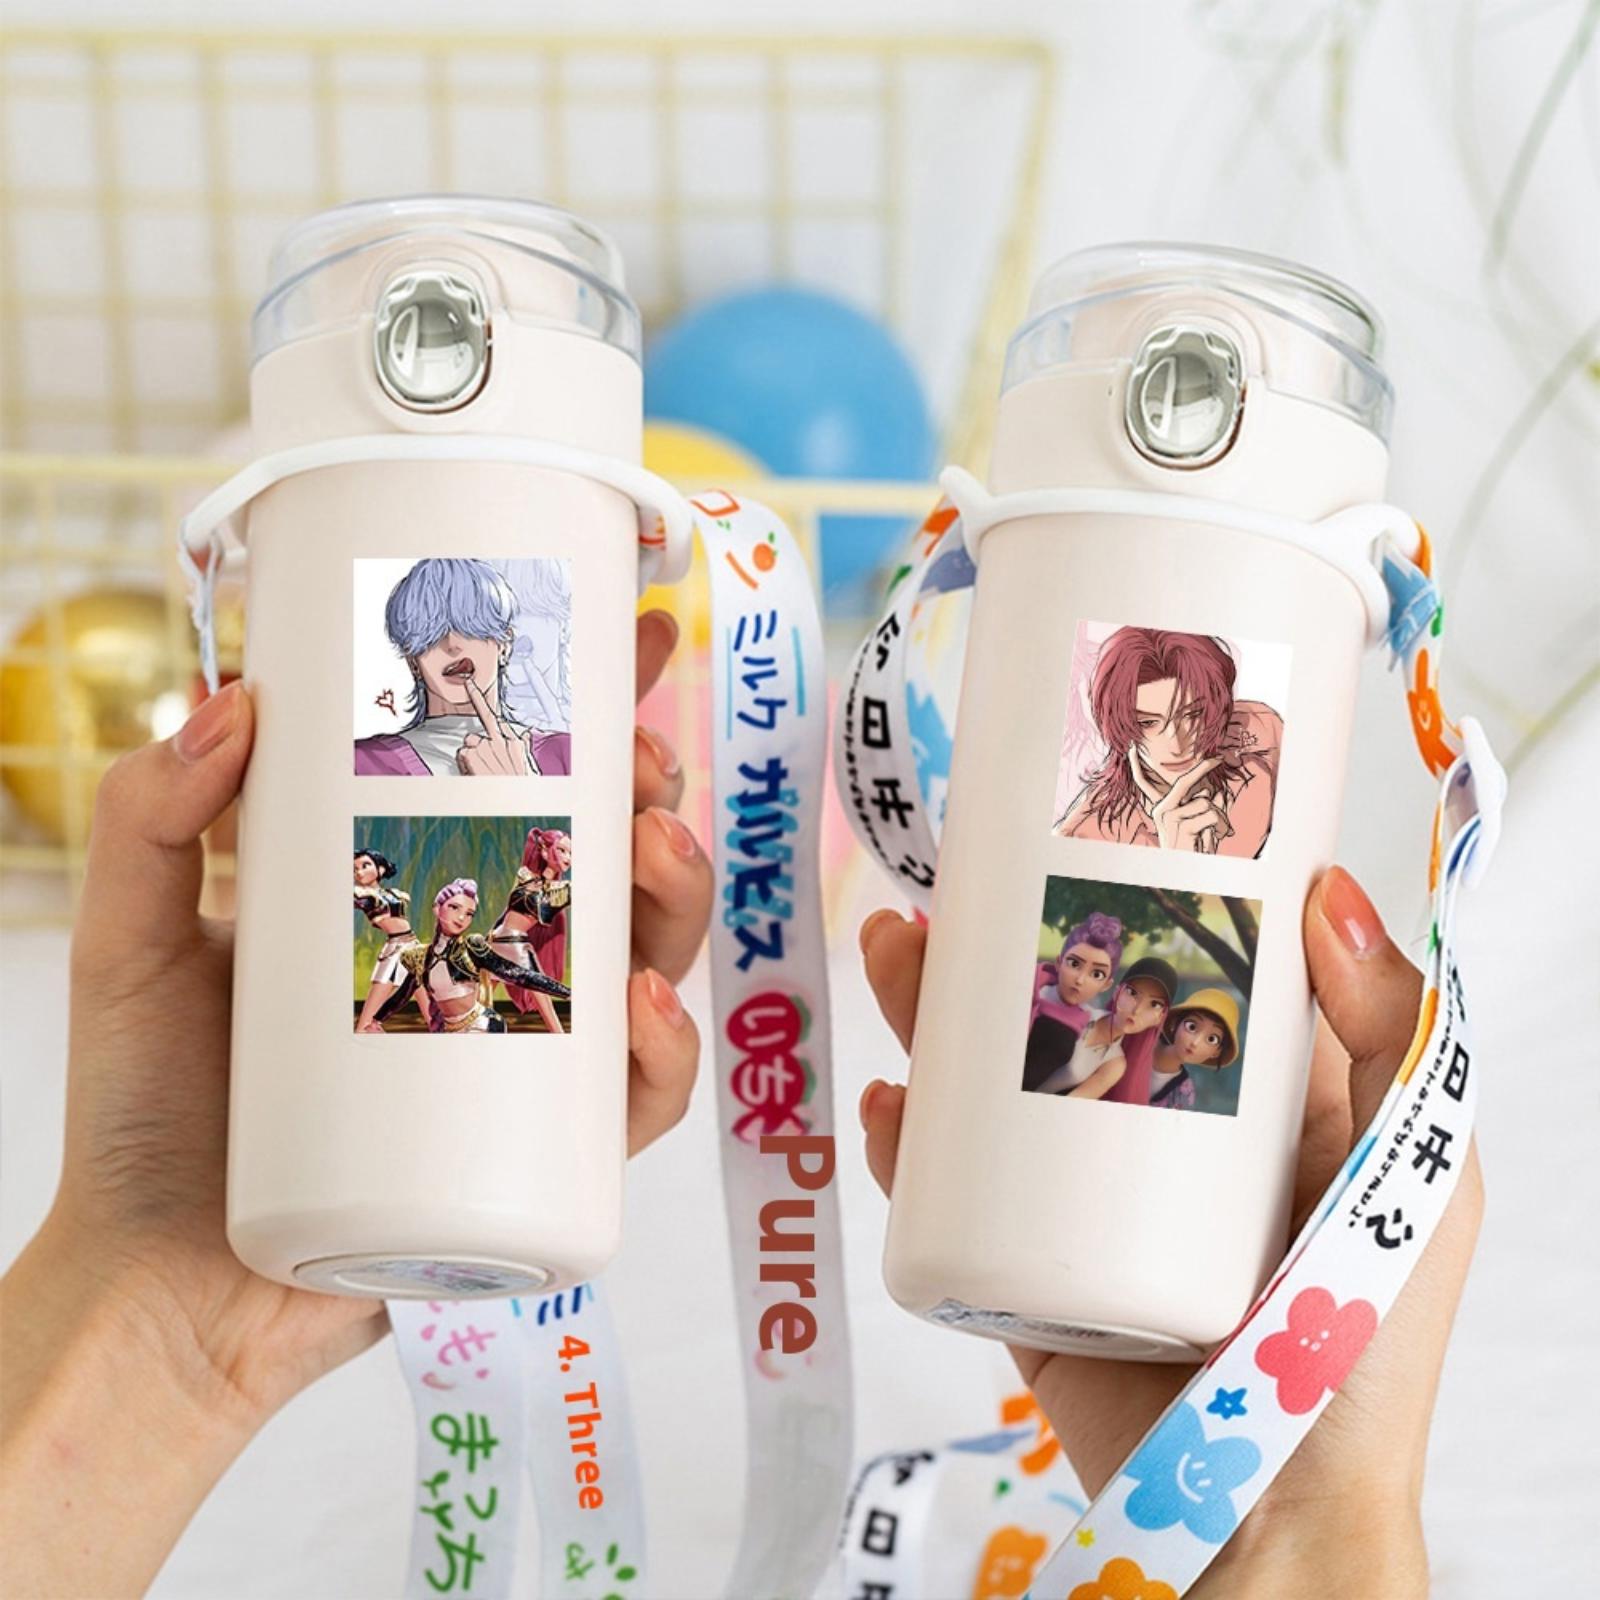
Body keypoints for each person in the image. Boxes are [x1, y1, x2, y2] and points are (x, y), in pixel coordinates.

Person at [0, 612, 708, 1599]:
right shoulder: (391, 800)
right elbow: (396, 965)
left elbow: (505, 946)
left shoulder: (506, 814)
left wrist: (173, 1336)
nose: (463, 666)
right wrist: (161, 1302)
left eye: (484, 648)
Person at [857, 866, 1481, 1595]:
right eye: (1171, 1013)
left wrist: (1310, 1517)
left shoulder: (1164, 1085)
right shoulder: (1067, 1022)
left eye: (1200, 1031)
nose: (1179, 1029)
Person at [1055, 627, 1281, 856]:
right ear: (1120, 726)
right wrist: (1177, 855)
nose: (1177, 745)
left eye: (1193, 714)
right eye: (1147, 723)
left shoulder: (1260, 730)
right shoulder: (1085, 836)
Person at [354, 557, 573, 776]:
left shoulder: (563, 754)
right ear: (413, 661)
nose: (452, 645)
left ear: (504, 645)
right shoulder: (366, 762)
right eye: (432, 634)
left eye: (470, 627)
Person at [374, 877, 570, 1034]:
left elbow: (519, 974)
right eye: (454, 907)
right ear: (437, 908)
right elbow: (402, 995)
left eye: (469, 914)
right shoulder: (421, 957)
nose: (461, 918)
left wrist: (565, 992)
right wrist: (376, 1020)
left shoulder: (472, 947)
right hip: (448, 1030)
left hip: (481, 1026)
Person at [1031, 956, 1176, 1103]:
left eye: (1154, 1004)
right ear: (1117, 992)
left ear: (1160, 1017)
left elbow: (1072, 1103)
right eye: (1132, 993)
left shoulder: (1114, 1064)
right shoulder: (1076, 1011)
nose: (1137, 1009)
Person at [1021, 911, 1122, 1092]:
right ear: (1058, 963)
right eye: (1074, 964)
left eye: (1096, 974)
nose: (1080, 980)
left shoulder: (1076, 1028)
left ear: (1106, 985)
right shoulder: (1026, 984)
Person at [491, 825, 572, 1034]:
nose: (567, 857)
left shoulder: (562, 890)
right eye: (562, 850)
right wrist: (491, 934)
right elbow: (508, 911)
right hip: (498, 941)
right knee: (479, 1002)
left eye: (570, 853)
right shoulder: (525, 876)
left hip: (516, 945)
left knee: (545, 1002)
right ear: (544, 851)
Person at [352, 846, 423, 1033]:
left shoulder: (393, 893)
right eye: (355, 869)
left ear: (380, 869)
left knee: (432, 1010)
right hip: (394, 951)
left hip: (414, 948)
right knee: (367, 1020)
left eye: (365, 866)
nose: (359, 872)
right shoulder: (362, 895)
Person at [1149, 986, 1242, 1111]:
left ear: (1216, 1052)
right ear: (1175, 1023)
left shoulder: (1184, 1094)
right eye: (1192, 1027)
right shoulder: (1143, 1037)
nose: (1195, 1043)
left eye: (1211, 1039)